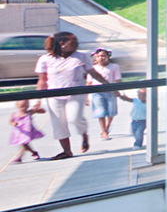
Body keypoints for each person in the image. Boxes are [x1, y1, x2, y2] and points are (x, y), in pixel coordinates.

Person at [35, 31, 107, 159]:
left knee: (74, 118)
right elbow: (42, 80)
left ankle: (83, 135)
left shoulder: (80, 56)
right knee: (58, 122)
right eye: (73, 43)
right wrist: (38, 100)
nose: (77, 45)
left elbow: (93, 72)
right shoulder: (45, 59)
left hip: (75, 94)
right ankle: (67, 151)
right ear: (62, 44)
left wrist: (107, 84)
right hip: (54, 95)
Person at [87, 48, 122, 140]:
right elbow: (89, 82)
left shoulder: (114, 66)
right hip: (97, 92)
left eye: (103, 56)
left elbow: (117, 79)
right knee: (100, 112)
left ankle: (107, 126)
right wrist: (86, 96)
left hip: (110, 91)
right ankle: (103, 131)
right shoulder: (93, 69)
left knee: (111, 111)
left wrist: (117, 89)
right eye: (99, 56)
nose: (101, 58)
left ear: (108, 57)